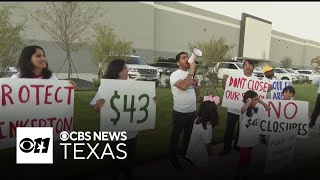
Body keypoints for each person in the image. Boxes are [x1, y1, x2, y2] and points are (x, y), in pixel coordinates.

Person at [11, 45, 76, 180]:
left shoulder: (52, 79)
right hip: (31, 132)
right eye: (38, 56)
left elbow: (59, 99)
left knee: (51, 169)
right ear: (28, 59)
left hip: (51, 130)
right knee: (33, 171)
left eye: (44, 55)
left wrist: (67, 87)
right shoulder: (16, 80)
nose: (43, 58)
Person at [90, 59, 156, 180]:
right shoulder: (106, 86)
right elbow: (95, 107)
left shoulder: (133, 85)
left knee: (129, 164)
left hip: (131, 133)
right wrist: (98, 105)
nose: (127, 70)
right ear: (118, 71)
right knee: (113, 164)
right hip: (113, 135)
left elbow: (141, 102)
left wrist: (151, 101)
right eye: (125, 68)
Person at [219, 60, 258, 156]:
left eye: (250, 65)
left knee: (242, 130)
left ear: (253, 67)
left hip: (246, 110)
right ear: (243, 67)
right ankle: (226, 148)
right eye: (246, 65)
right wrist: (224, 79)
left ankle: (237, 145)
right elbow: (225, 87)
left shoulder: (256, 80)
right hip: (233, 108)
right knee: (229, 129)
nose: (248, 66)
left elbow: (257, 95)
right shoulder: (236, 76)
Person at [169, 51, 200, 169]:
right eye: (183, 58)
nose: (187, 59)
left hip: (192, 111)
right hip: (180, 112)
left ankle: (187, 155)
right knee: (175, 136)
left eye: (187, 57)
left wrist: (197, 85)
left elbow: (196, 92)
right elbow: (183, 86)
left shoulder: (190, 74)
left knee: (189, 136)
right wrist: (191, 71)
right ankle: (173, 158)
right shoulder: (175, 75)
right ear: (178, 62)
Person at [235, 90, 270, 180]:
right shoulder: (243, 108)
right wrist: (249, 102)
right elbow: (242, 110)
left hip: (253, 137)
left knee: (248, 157)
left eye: (256, 100)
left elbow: (268, 108)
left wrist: (260, 101)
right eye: (255, 100)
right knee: (243, 159)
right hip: (244, 139)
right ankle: (240, 174)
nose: (256, 101)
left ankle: (244, 172)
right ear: (248, 100)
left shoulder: (257, 108)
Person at [185, 96, 220, 167]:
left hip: (192, 149)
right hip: (200, 153)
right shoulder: (207, 126)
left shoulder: (198, 119)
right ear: (213, 113)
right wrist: (211, 153)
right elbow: (207, 145)